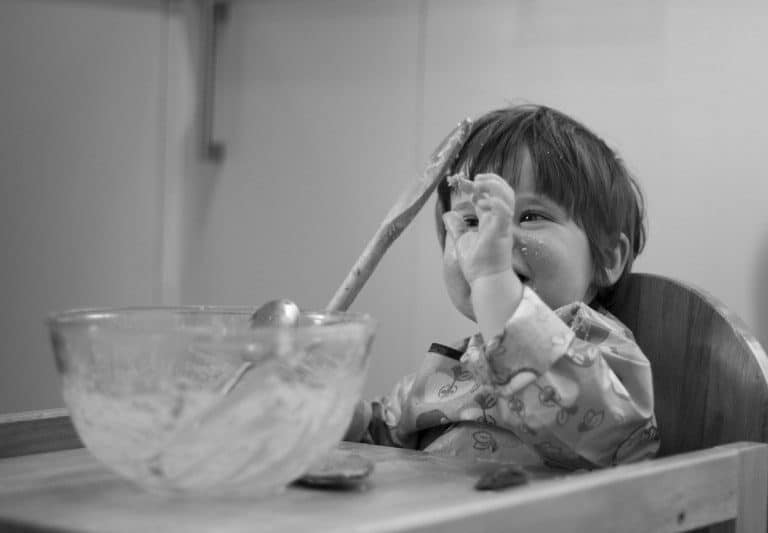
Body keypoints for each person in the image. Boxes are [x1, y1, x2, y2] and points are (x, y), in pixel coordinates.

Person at [344, 104, 659, 470]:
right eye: (471, 220)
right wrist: (339, 415)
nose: (492, 238)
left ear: (607, 258)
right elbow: (384, 436)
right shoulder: (455, 364)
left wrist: (494, 278)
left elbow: (604, 429)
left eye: (530, 216)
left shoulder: (603, 349)